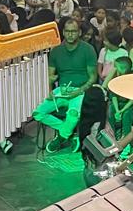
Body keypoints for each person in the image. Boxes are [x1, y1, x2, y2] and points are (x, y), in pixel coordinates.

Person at [35, 18, 99, 153]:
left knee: (73, 114)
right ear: (63, 32)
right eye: (68, 31)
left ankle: (60, 138)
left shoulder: (88, 49)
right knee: (37, 113)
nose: (70, 34)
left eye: (74, 31)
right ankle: (69, 133)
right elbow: (50, 76)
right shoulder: (56, 51)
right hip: (62, 90)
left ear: (79, 32)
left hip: (80, 90)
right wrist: (50, 90)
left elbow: (93, 77)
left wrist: (79, 91)